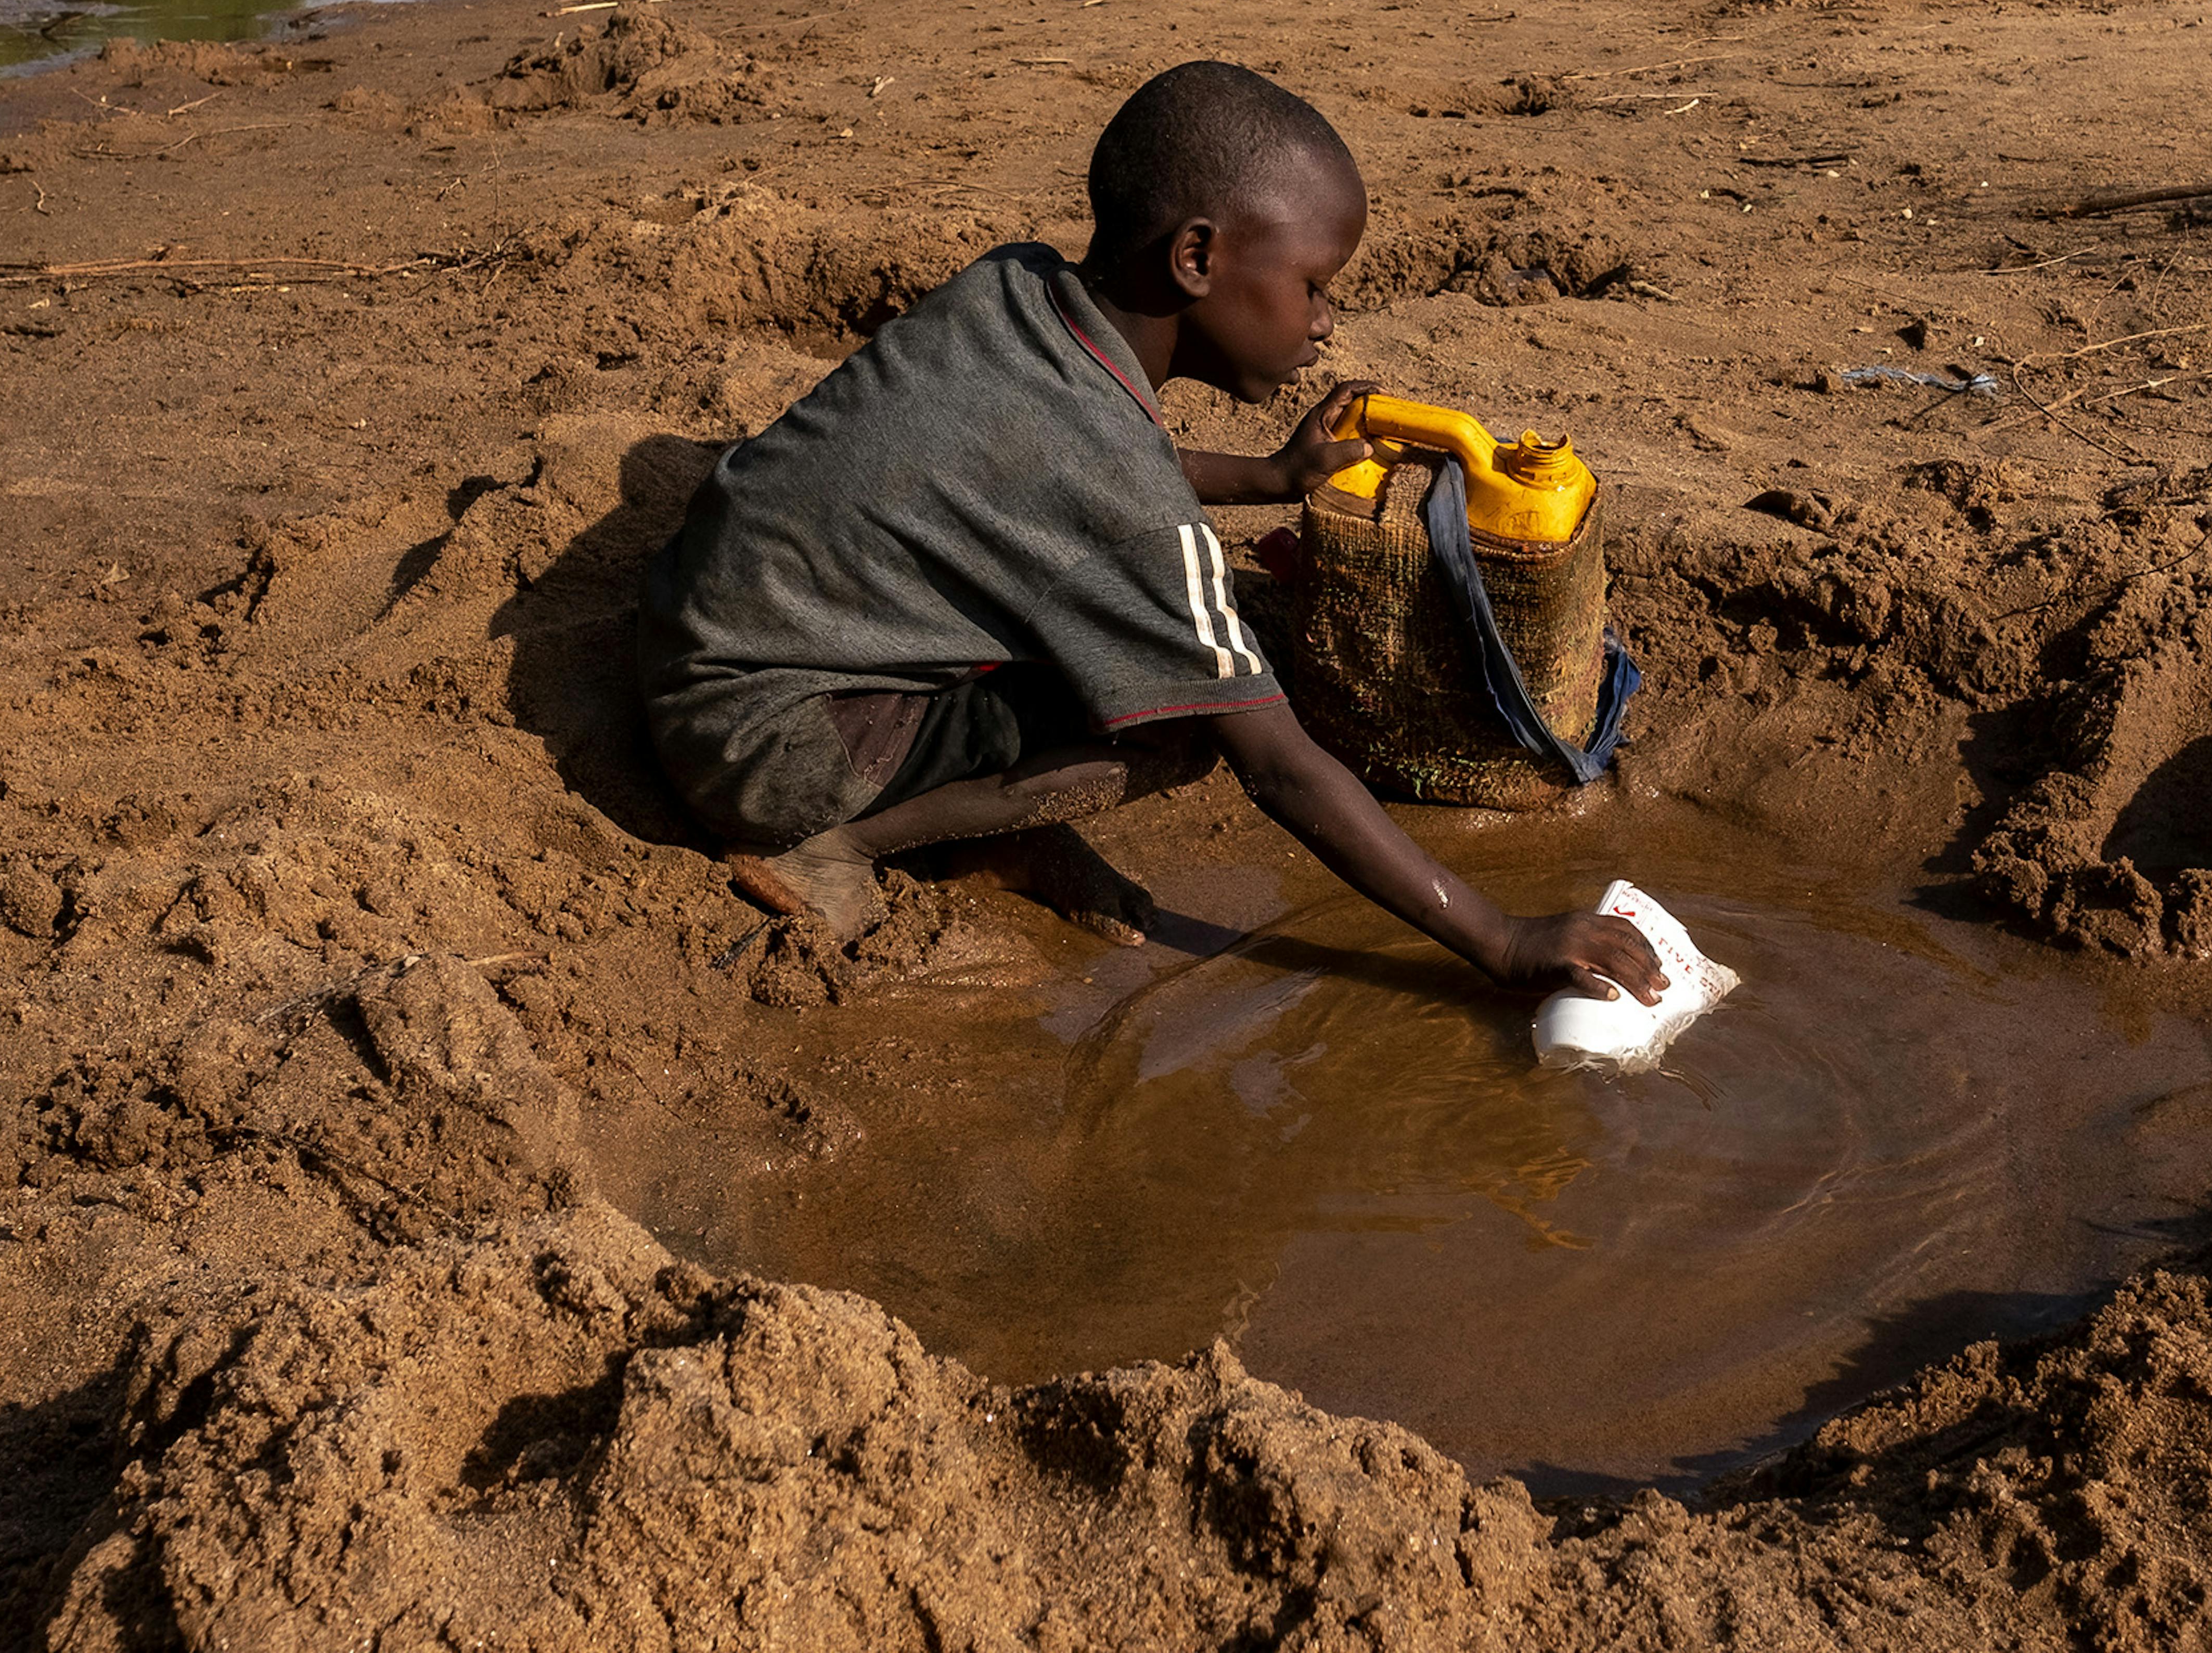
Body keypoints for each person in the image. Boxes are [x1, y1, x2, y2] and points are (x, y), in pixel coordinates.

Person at [634, 59, 1667, 1011]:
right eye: (1312, 285)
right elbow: (1280, 767)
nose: (1324, 323)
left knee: (1130, 620)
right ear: (1197, 257)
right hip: (767, 750)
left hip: (700, 643)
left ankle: (987, 827)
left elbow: (1051, 475)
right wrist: (1500, 937)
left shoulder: (1018, 289)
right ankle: (844, 841)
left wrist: (1266, 480)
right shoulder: (1117, 486)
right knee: (1181, 721)